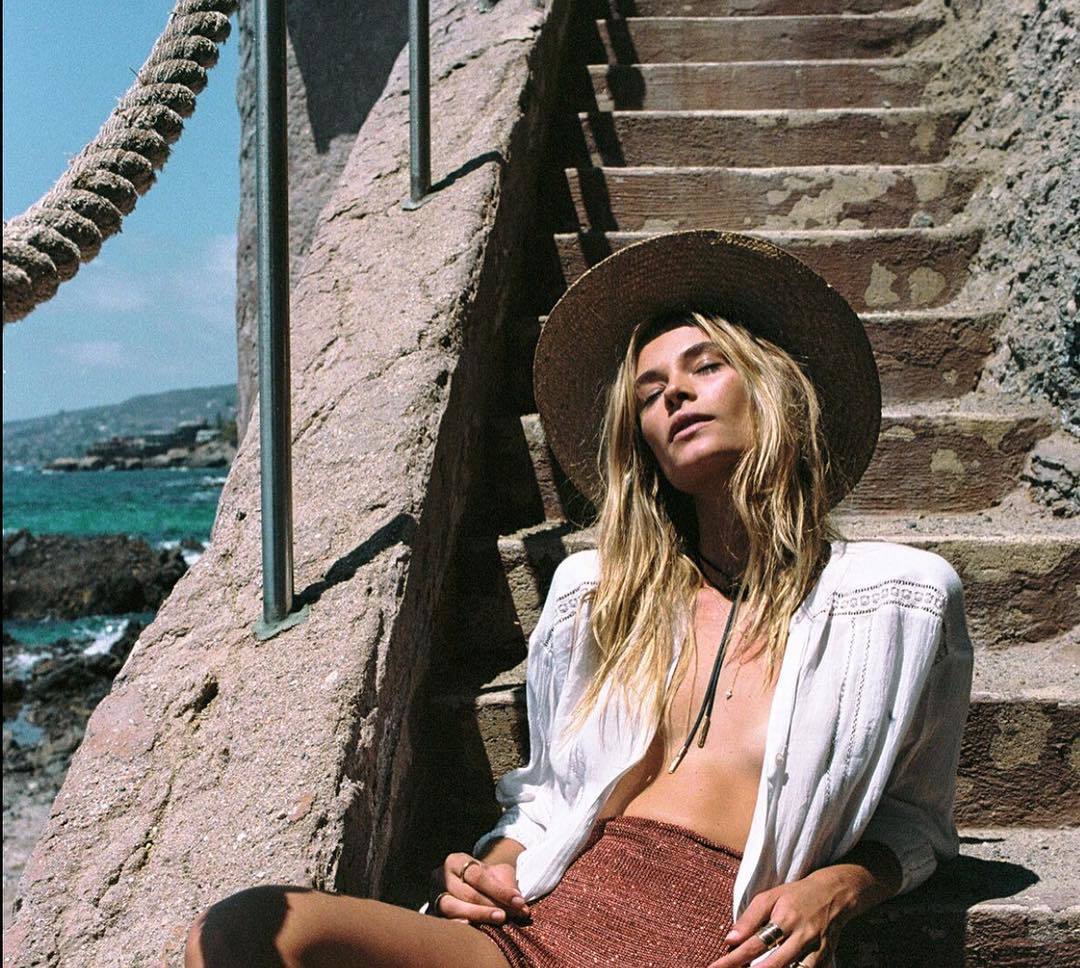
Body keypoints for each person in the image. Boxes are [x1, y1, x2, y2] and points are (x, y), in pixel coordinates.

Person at [186, 230, 973, 968]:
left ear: (773, 391)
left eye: (705, 367)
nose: (674, 395)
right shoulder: (595, 595)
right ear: (644, 446)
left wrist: (841, 886)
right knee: (244, 929)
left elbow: (917, 824)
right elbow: (544, 801)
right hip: (532, 934)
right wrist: (490, 868)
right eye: (650, 393)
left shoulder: (900, 602)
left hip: (712, 942)